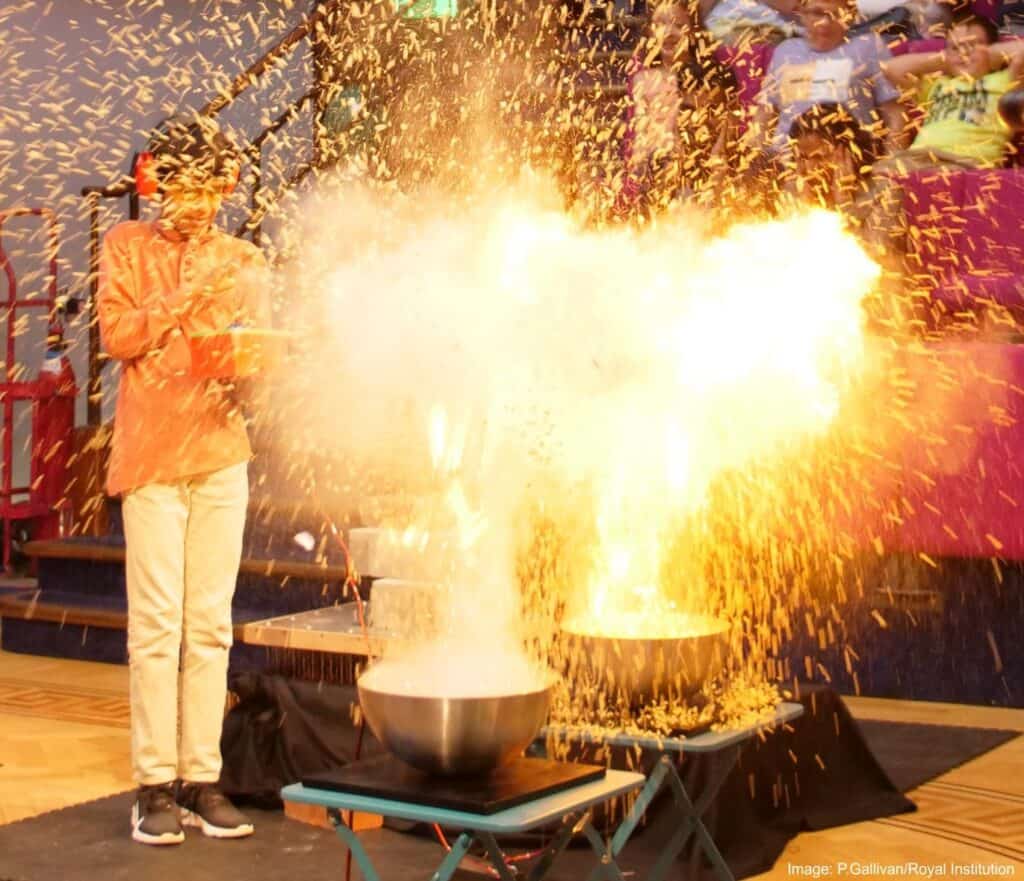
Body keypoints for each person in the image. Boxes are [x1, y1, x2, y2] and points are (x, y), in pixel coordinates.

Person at [98, 116, 271, 845]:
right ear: (156, 184)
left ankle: (203, 778)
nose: (195, 203)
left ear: (224, 189)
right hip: (150, 460)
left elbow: (258, 364)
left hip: (221, 453)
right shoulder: (125, 245)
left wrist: (253, 358)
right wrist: (182, 297)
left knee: (209, 627)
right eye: (181, 187)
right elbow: (117, 336)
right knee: (156, 628)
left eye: (207, 188)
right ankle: (152, 785)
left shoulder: (242, 257)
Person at [620, 0, 739, 216]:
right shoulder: (644, 78)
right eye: (660, 24)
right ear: (650, 32)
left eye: (677, 24)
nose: (669, 32)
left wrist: (716, 154)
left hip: (704, 155)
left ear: (693, 31)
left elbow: (726, 121)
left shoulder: (710, 74)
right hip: (661, 159)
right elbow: (642, 130)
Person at [748, 0, 907, 157]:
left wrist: (892, 160)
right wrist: (755, 157)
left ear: (850, 17)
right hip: (786, 158)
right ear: (802, 13)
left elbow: (895, 113)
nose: (824, 22)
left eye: (834, 14)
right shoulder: (786, 51)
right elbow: (764, 113)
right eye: (817, 13)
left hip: (846, 156)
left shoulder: (867, 46)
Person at [880, 11, 1024, 171]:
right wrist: (945, 59)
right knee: (879, 177)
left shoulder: (1004, 80)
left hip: (966, 163)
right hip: (919, 157)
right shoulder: (936, 85)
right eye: (955, 47)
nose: (964, 53)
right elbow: (891, 69)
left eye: (972, 45)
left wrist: (990, 55)